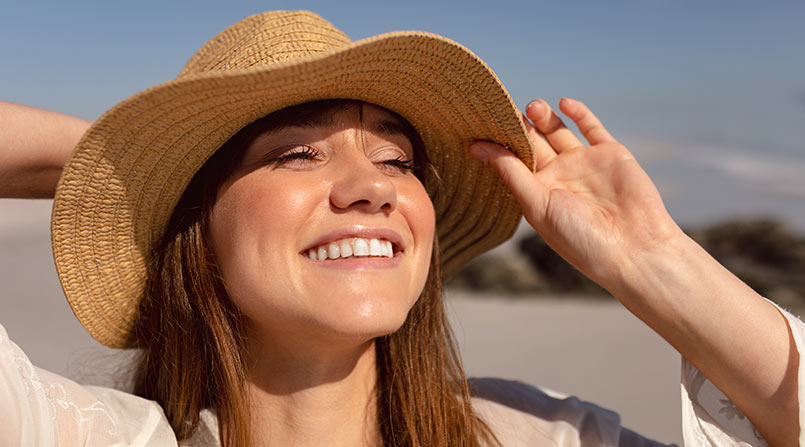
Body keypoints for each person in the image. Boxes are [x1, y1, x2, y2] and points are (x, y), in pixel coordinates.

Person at [0, 10, 801, 447]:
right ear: (198, 232)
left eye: (396, 160)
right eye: (298, 154)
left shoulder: (540, 435)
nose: (370, 189)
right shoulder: (84, 436)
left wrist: (653, 260)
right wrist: (135, 170)